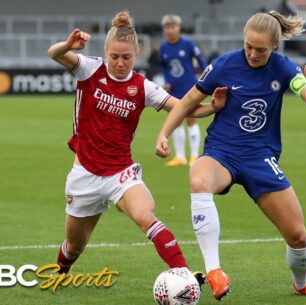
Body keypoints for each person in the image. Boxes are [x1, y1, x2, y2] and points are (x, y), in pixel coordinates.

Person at [156, 11, 306, 301]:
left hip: (260, 158)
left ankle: (302, 283)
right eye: (248, 46)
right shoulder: (224, 65)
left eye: (260, 49)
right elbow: (187, 101)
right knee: (199, 179)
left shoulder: (284, 68)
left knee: (298, 237)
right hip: (222, 152)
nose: (252, 53)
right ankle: (214, 271)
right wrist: (163, 133)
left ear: (274, 46)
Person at [47, 10, 225, 279]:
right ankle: (61, 271)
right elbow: (54, 53)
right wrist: (68, 46)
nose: (120, 63)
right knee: (74, 245)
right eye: (114, 57)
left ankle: (184, 275)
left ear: (137, 55)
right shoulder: (89, 68)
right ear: (106, 52)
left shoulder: (143, 87)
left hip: (121, 173)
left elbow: (182, 108)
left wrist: (213, 107)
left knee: (146, 216)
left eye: (127, 57)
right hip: (84, 174)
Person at [159, 15, 207, 167]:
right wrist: (166, 80)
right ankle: (180, 156)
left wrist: (207, 76)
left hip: (189, 86)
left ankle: (194, 156)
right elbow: (164, 67)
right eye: (167, 27)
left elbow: (201, 61)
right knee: (176, 121)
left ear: (178, 28)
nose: (170, 30)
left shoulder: (188, 44)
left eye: (173, 27)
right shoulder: (163, 48)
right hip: (173, 88)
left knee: (191, 119)